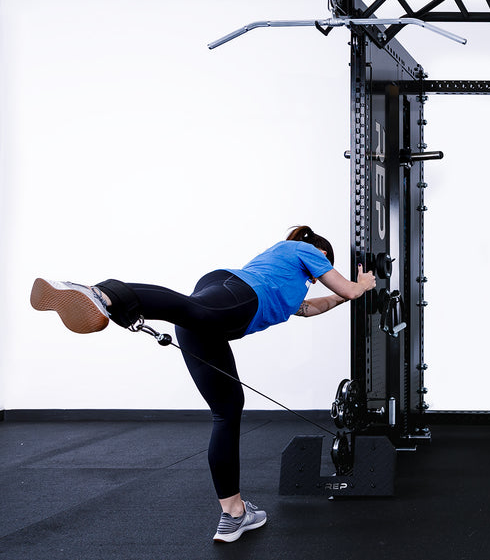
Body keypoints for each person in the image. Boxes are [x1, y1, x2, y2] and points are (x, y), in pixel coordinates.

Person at [30, 225, 377, 543]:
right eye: (322, 270)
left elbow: (311, 308)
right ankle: (99, 293)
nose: (318, 278)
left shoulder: (283, 281)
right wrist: (360, 287)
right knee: (196, 311)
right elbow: (346, 286)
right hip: (235, 297)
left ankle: (234, 513)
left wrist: (344, 297)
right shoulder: (301, 250)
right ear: (320, 256)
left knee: (227, 410)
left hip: (217, 309)